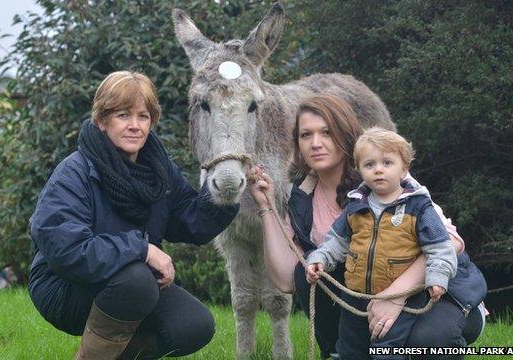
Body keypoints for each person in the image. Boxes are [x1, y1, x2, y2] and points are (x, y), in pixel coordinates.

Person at [247, 94, 487, 360]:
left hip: (434, 293)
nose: (316, 143)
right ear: (298, 144)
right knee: (308, 272)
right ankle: (339, 352)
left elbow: (451, 242)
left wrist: (392, 297)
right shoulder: (304, 194)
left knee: (427, 342)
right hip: (363, 299)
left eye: (326, 132)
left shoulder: (382, 173)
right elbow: (285, 279)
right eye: (306, 135)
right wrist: (265, 207)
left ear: (345, 134)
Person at [28, 71, 239, 360]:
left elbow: (192, 221)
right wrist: (142, 250)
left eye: (143, 116)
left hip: (133, 283)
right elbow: (66, 250)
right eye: (123, 115)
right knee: (136, 278)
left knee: (193, 326)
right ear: (102, 120)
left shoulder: (158, 169)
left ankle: (112, 354)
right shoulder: (75, 171)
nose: (135, 126)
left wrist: (227, 191)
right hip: (65, 287)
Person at [305, 127, 458, 359]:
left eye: (387, 163)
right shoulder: (356, 206)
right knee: (350, 350)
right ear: (359, 170)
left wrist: (437, 277)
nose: (378, 170)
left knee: (386, 351)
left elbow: (440, 247)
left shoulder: (418, 207)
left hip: (398, 298)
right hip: (355, 297)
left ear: (404, 168)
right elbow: (336, 241)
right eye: (369, 164)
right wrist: (320, 258)